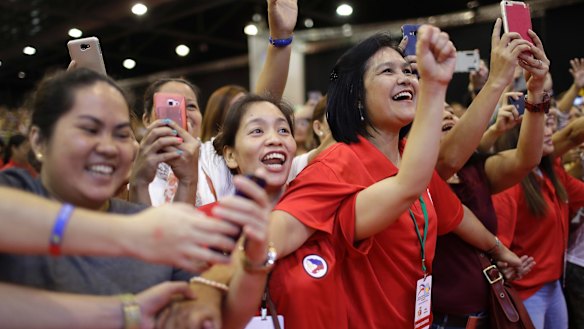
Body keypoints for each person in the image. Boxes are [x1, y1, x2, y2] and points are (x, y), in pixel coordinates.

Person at [0, 69, 267, 309]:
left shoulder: (139, 218)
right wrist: (127, 234)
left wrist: (232, 274)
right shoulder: (18, 190)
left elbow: (199, 306)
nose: (107, 147)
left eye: (120, 134)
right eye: (89, 129)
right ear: (38, 141)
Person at [430, 20, 548, 328]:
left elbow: (526, 159)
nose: (446, 113)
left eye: (451, 111)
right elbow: (448, 156)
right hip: (443, 319)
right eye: (435, 110)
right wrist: (497, 79)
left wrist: (536, 93)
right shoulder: (423, 175)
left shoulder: (475, 170)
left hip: (486, 312)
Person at [492, 113, 584, 329]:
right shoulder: (508, 185)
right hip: (526, 292)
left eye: (549, 125)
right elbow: (496, 247)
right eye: (541, 127)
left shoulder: (551, 173)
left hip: (553, 286)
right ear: (519, 135)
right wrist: (504, 266)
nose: (551, 132)